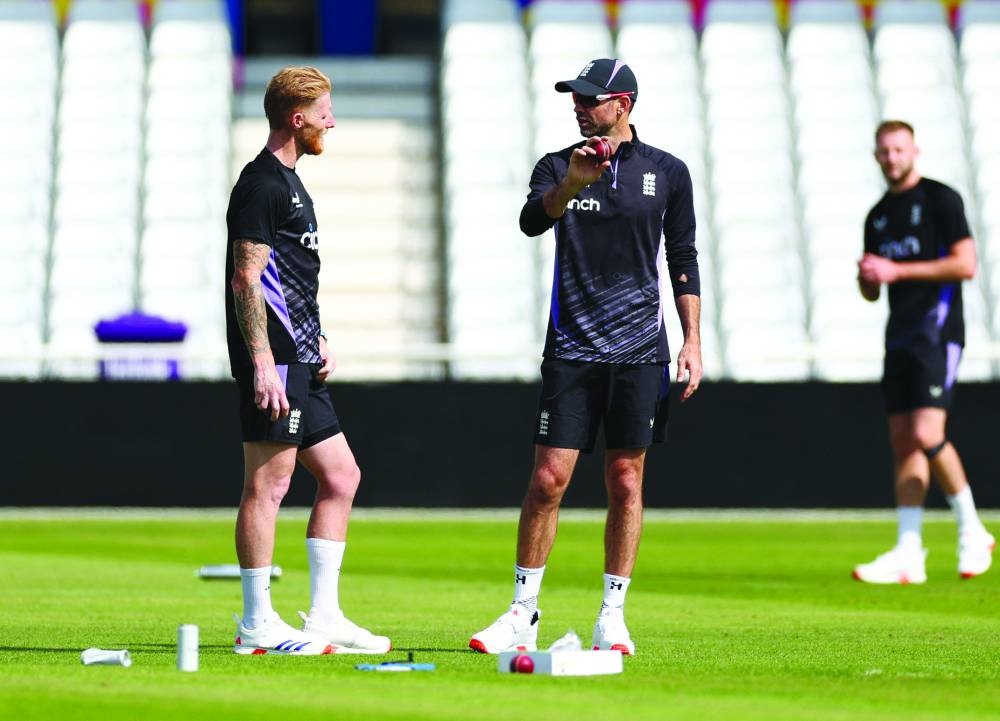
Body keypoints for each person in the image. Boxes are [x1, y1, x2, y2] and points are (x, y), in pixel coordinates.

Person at [469, 59, 702, 656]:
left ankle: (612, 616)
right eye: (575, 97)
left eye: (591, 99)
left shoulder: (667, 172)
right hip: (571, 348)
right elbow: (529, 222)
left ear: (622, 105)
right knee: (549, 479)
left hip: (640, 351)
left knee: (625, 479)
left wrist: (693, 340)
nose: (579, 106)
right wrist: (573, 182)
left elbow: (683, 258)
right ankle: (522, 613)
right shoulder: (557, 165)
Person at [225, 65, 391, 654]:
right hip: (275, 365)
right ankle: (256, 625)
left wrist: (315, 335)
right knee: (268, 486)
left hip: (300, 357)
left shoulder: (292, 183)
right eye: (325, 112)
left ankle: (323, 617)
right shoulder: (262, 184)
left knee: (342, 476)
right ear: (298, 119)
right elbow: (248, 279)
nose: (333, 121)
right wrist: (264, 363)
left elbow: (288, 277)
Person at [854, 120, 995, 584]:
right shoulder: (877, 216)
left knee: (927, 430)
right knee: (903, 442)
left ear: (914, 150)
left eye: (898, 149)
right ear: (877, 157)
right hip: (900, 336)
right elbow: (876, 291)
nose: (891, 158)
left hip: (938, 332)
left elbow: (965, 263)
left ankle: (973, 529)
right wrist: (870, 279)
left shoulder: (941, 200)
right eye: (884, 152)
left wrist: (895, 270)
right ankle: (909, 551)